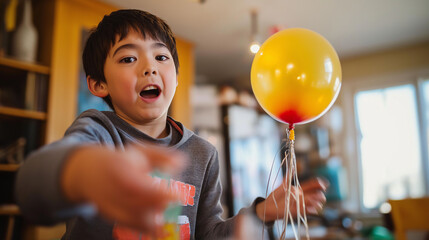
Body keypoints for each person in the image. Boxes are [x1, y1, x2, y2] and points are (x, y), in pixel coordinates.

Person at [15, 9, 328, 240]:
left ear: (176, 79)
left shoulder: (204, 154)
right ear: (98, 85)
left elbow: (211, 235)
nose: (149, 67)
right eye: (128, 59)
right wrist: (81, 171)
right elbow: (30, 187)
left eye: (161, 58)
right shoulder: (98, 131)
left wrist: (261, 213)